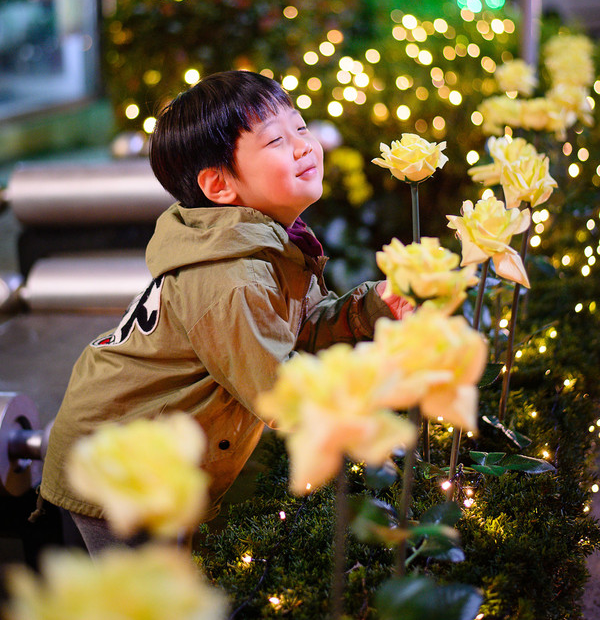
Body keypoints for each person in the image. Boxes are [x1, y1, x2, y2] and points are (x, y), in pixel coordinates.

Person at [40, 70, 410, 553]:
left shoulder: (262, 241)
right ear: (218, 185)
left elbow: (299, 328)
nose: (304, 146)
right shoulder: (233, 278)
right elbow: (280, 393)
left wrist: (374, 306)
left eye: (300, 127)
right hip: (117, 459)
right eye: (276, 140)